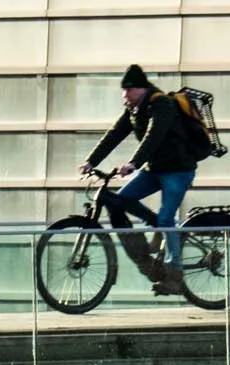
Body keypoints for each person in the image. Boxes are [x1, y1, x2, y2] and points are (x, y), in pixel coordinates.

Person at [79, 64, 196, 295]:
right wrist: (91, 161)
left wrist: (133, 163)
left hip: (177, 170)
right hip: (154, 170)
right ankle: (147, 249)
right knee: (119, 201)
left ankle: (175, 273)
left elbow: (154, 135)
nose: (125, 96)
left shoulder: (161, 104)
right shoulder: (132, 109)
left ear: (141, 89)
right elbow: (114, 134)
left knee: (165, 219)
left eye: (128, 92)